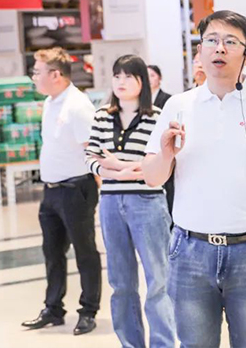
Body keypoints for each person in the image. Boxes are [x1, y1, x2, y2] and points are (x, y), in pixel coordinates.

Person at [142, 10, 246, 348]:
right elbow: (152, 178)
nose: (219, 48)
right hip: (190, 251)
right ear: (200, 50)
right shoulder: (177, 106)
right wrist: (166, 154)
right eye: (212, 40)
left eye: (231, 42)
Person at [85, 55, 175, 348]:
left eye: (128, 77)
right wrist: (121, 171)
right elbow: (91, 158)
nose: (121, 82)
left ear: (142, 82)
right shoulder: (101, 115)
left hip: (148, 202)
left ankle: (163, 343)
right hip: (110, 203)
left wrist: (118, 165)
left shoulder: (157, 116)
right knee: (121, 282)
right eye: (117, 76)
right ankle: (131, 343)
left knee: (158, 280)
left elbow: (162, 162)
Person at [22, 47, 101, 336]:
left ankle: (88, 310)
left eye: (37, 72)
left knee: (84, 251)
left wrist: (101, 189)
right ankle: (53, 308)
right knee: (52, 252)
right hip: (52, 190)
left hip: (76, 189)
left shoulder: (77, 105)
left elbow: (93, 150)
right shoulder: (49, 102)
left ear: (55, 74)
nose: (34, 77)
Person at [147, 64, 175, 214]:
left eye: (152, 75)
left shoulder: (168, 100)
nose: (149, 79)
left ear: (159, 78)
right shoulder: (141, 101)